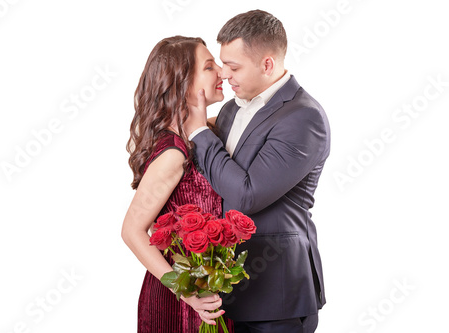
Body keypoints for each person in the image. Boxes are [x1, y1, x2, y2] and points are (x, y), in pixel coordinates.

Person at [185, 10, 331, 333]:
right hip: (228, 288)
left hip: (277, 295)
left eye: (233, 67)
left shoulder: (304, 118)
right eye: (222, 64)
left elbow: (245, 194)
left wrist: (198, 132)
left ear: (267, 65)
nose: (224, 74)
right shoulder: (230, 109)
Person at [121, 36, 234, 332]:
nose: (222, 72)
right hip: (181, 298)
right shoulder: (174, 153)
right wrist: (188, 293)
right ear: (183, 83)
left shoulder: (203, 133)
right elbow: (132, 231)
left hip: (209, 287)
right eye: (210, 67)